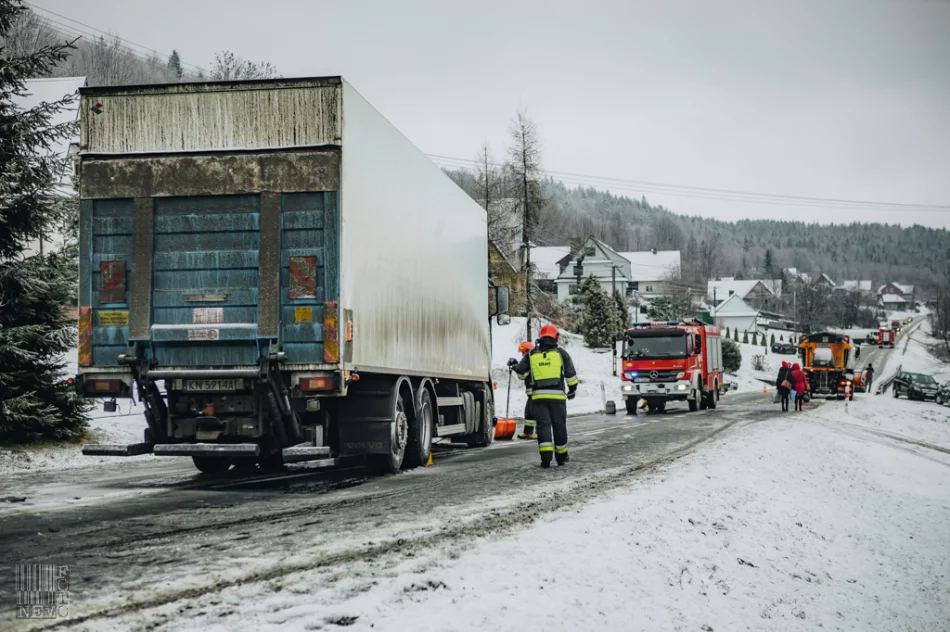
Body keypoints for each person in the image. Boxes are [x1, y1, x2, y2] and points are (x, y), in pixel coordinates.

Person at [510, 324, 578, 468]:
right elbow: (571, 375)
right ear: (555, 337)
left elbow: (522, 375)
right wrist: (572, 390)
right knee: (559, 426)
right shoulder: (561, 354)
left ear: (541, 337)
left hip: (538, 399)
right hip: (558, 399)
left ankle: (546, 458)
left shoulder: (531, 354)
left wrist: (516, 366)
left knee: (543, 426)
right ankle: (561, 457)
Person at [516, 341, 537, 440]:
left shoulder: (531, 361)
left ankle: (538, 432)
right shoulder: (529, 360)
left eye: (523, 352)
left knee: (538, 413)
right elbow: (522, 376)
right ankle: (527, 432)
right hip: (531, 393)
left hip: (536, 392)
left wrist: (517, 367)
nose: (522, 355)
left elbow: (523, 375)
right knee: (529, 412)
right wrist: (517, 367)